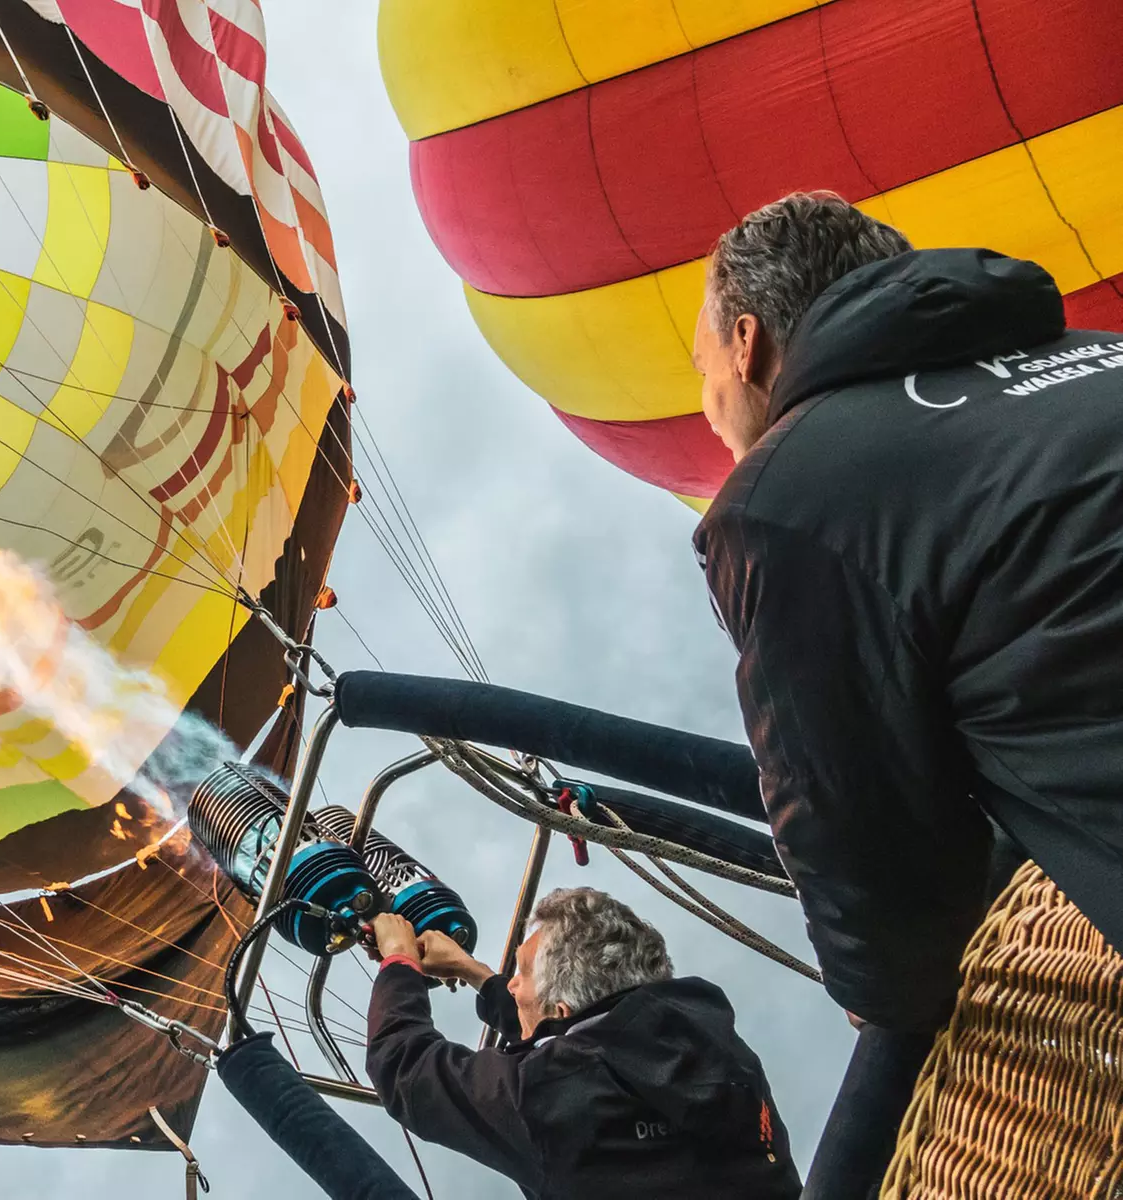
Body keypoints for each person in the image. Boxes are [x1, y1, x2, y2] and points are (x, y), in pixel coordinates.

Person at [690, 190, 1123, 1192]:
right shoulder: (1100, 353)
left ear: (749, 345)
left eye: (703, 371)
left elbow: (861, 833)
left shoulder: (779, 499)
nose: (709, 409)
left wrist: (884, 990)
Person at [365, 887, 800, 1199]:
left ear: (560, 1008)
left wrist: (399, 964)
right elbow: (586, 1037)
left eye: (521, 973)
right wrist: (474, 973)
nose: (512, 986)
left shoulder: (550, 1096)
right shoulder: (706, 1036)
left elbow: (405, 1069)